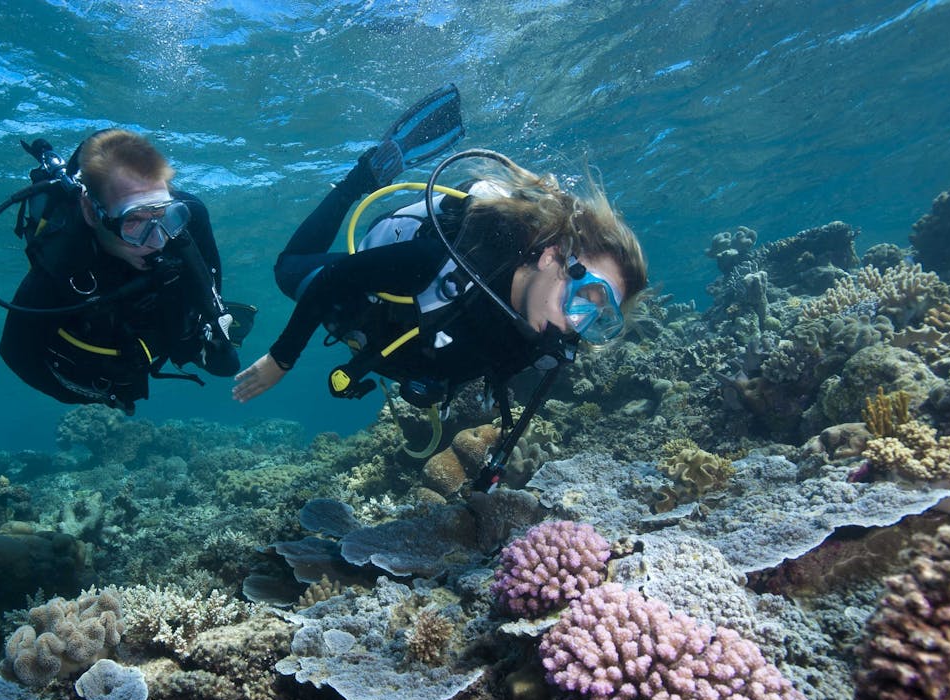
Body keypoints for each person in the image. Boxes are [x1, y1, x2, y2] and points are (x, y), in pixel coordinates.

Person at [232, 134, 646, 484]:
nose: (576, 323)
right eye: (584, 295)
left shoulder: (539, 342)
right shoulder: (448, 263)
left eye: (598, 318)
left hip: (396, 344)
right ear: (552, 257)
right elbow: (332, 282)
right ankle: (356, 181)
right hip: (365, 296)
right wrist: (281, 360)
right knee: (288, 270)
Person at [0, 128, 244, 414]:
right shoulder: (60, 265)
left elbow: (209, 291)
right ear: (91, 212)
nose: (158, 241)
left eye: (164, 216)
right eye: (134, 221)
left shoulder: (190, 218)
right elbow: (15, 354)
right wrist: (98, 399)